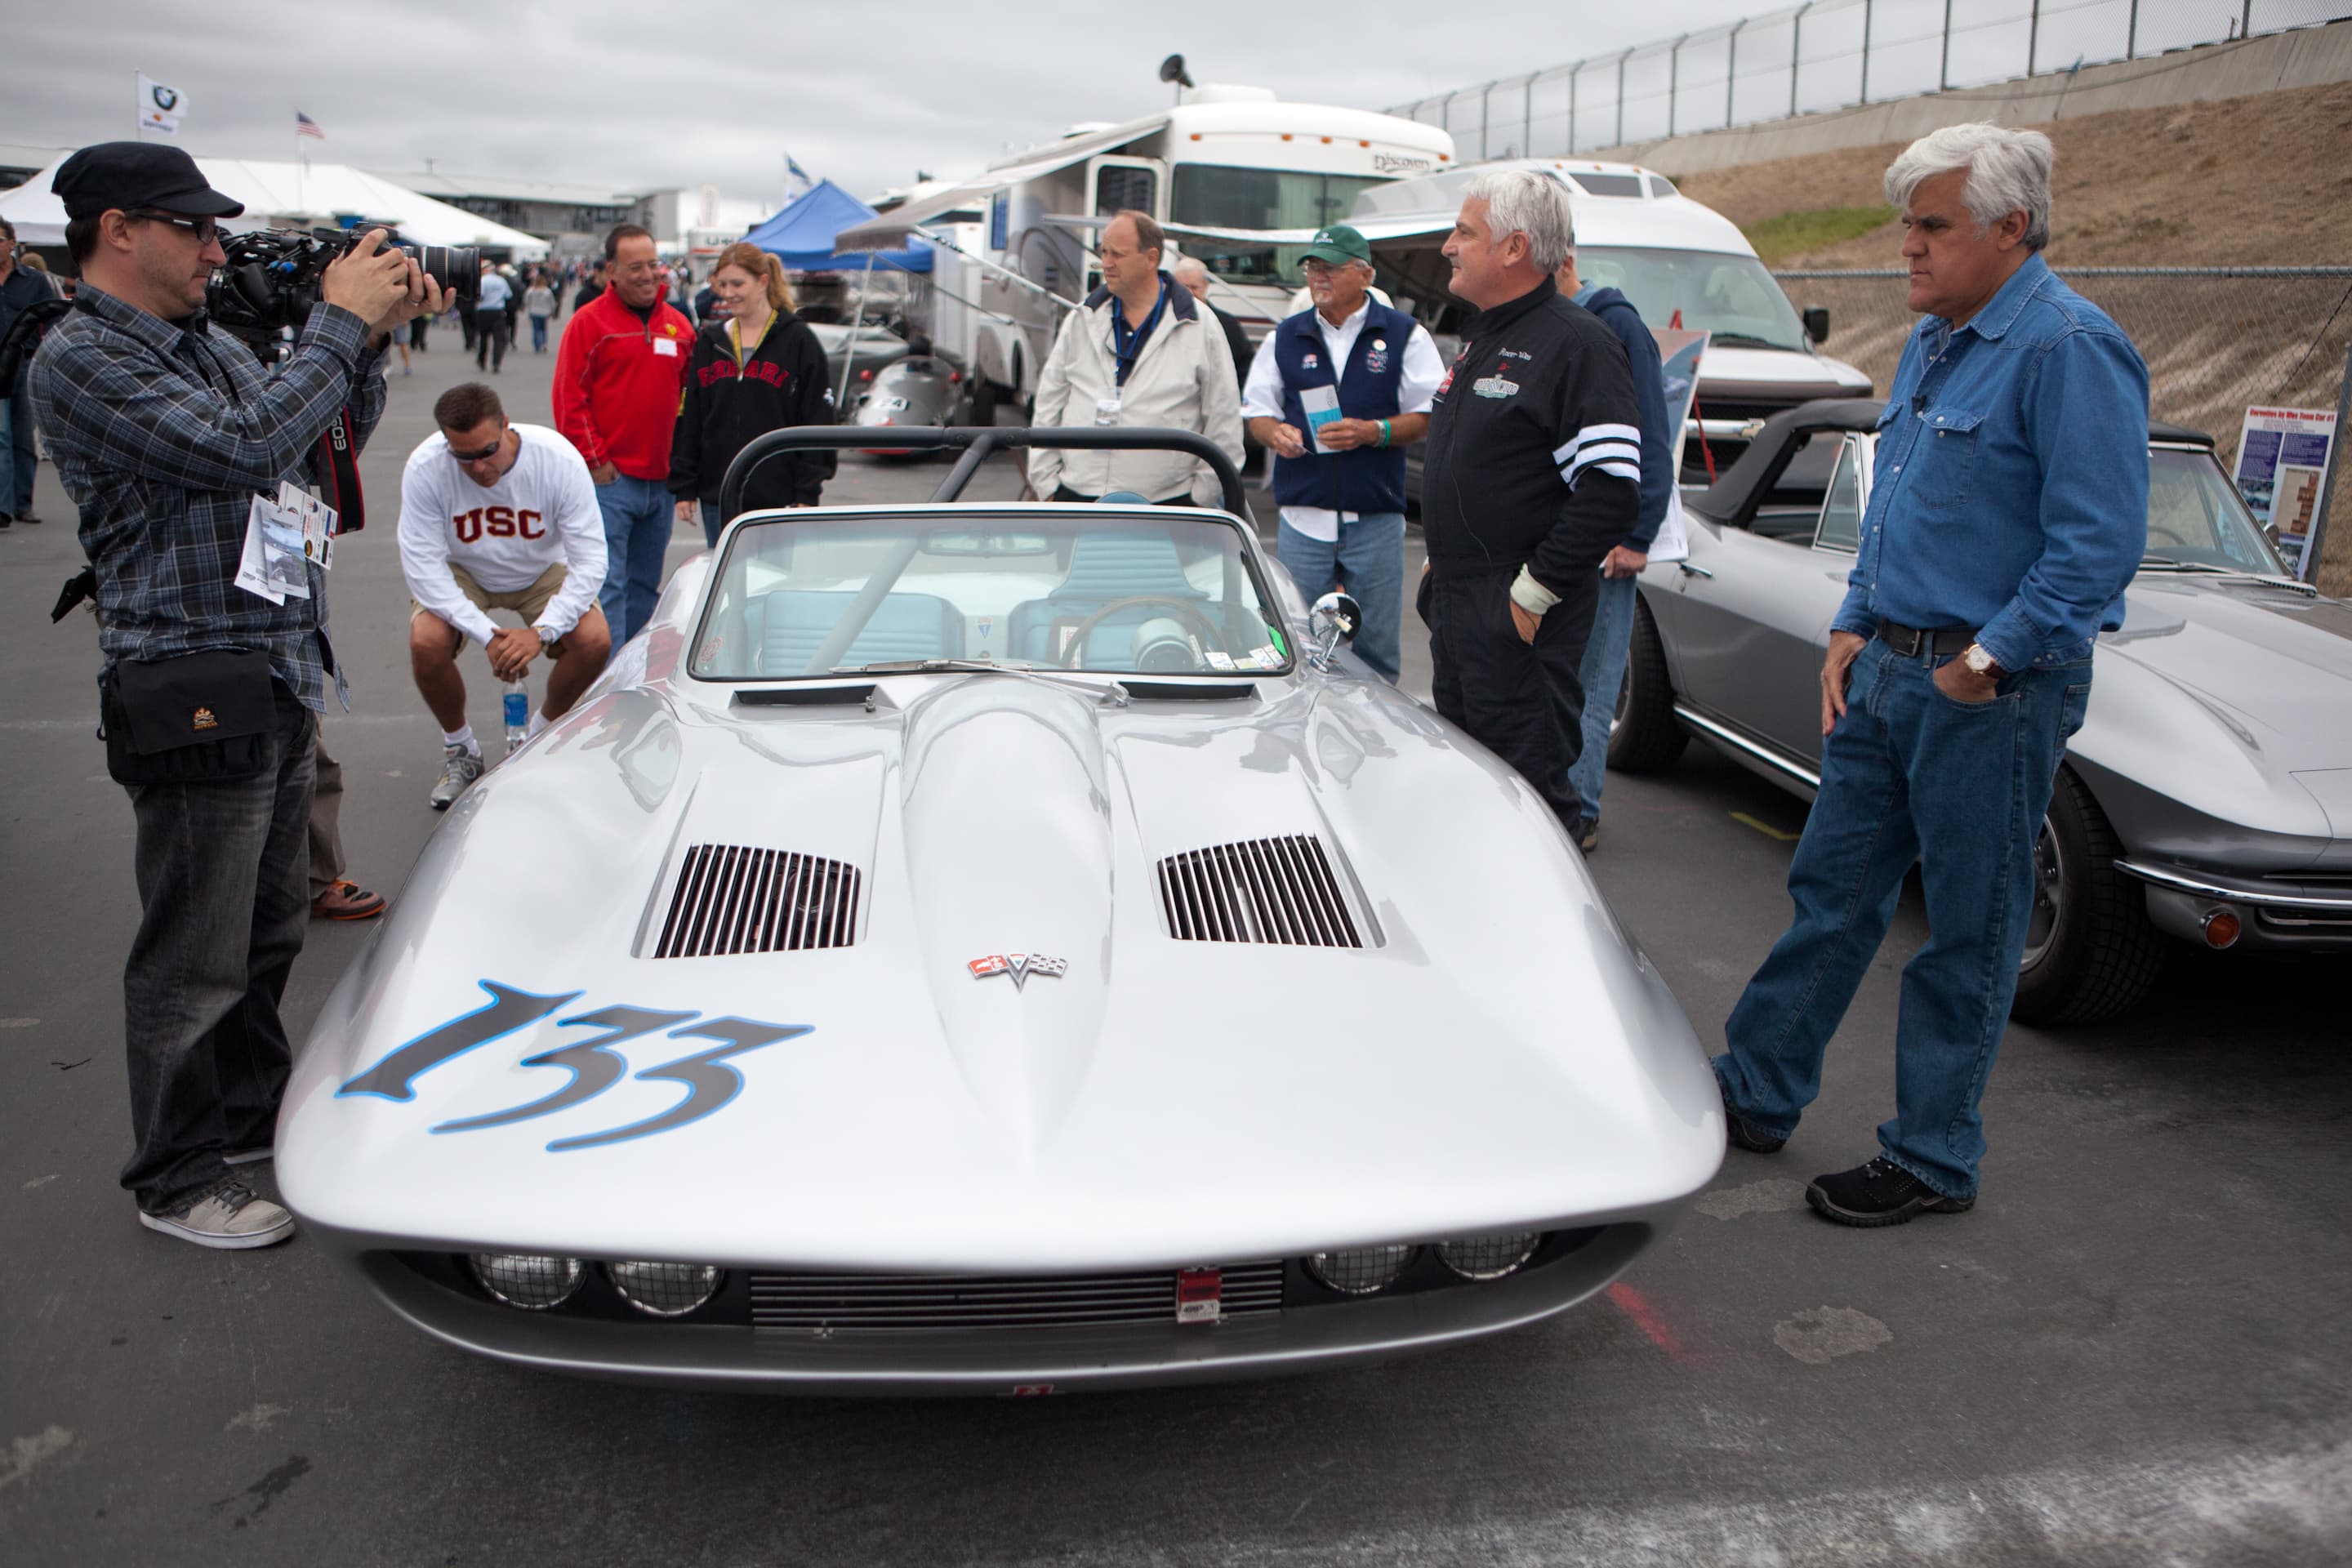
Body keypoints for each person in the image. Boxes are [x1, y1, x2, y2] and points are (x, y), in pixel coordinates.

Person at [1713, 123, 2148, 1227]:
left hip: (1985, 692)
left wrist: (1981, 666)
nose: (1906, 246)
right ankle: (1755, 1092)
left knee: (1970, 930)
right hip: (1886, 675)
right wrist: (1854, 623)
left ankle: (1933, 1156)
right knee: (1832, 899)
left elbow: (2093, 549)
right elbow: (1898, 507)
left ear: (2011, 228)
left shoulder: (2067, 350)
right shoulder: (1939, 340)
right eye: (1907, 223)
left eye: (1932, 225)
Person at [28, 141, 439, 1249]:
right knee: (191, 952)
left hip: (271, 666)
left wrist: (363, 340)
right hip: (190, 679)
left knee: (264, 929)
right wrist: (340, 326)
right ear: (120, 230)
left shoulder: (197, 343)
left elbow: (304, 447)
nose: (217, 249)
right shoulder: (82, 358)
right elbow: (240, 447)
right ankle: (175, 1175)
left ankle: (253, 1119)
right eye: (195, 229)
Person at [1419, 168, 1642, 835]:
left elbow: (1610, 494)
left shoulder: (1578, 344)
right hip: (1463, 605)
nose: (1448, 248)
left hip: (1516, 618)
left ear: (1513, 248)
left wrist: (1530, 594)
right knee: (1471, 795)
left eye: (1465, 232)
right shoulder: (1485, 333)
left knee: (1529, 808)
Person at [1239, 225, 1443, 685]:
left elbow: (1429, 413)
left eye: (1330, 267)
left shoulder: (1404, 335)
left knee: (1376, 650)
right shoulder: (1286, 336)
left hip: (1374, 513)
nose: (1318, 277)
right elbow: (1257, 414)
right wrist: (1278, 435)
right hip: (1303, 514)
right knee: (1296, 643)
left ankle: (1376, 744)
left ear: (1365, 274)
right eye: (1313, 267)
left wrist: (1376, 431)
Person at [400, 381, 612, 808]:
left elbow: (590, 560)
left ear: (506, 426)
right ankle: (461, 749)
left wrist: (542, 632)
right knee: (426, 641)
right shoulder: (425, 467)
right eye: (463, 456)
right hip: (465, 570)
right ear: (446, 443)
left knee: (594, 641)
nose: (478, 467)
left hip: (539, 568)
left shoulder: (557, 459)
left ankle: (536, 740)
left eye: (487, 451)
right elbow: (423, 567)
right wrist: (488, 635)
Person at [1557, 249, 1677, 853]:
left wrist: (1637, 535)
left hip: (1607, 537)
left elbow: (1652, 432)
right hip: (1559, 531)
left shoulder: (1616, 322)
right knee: (1559, 679)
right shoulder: (1548, 318)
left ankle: (1580, 812)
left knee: (1595, 677)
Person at [1027, 210, 1242, 506]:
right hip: (1077, 497)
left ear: (1151, 258)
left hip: (1166, 504)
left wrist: (1199, 498)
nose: (1107, 263)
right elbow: (1049, 402)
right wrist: (1048, 485)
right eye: (1104, 252)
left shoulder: (1199, 324)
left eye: (1118, 254)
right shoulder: (1083, 317)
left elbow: (1224, 416)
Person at [550, 224, 694, 642]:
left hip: (661, 482)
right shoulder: (589, 323)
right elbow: (569, 399)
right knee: (607, 586)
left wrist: (684, 466)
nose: (649, 274)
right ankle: (604, 688)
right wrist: (597, 462)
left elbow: (692, 401)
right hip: (610, 482)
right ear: (611, 270)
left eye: (654, 264)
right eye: (636, 267)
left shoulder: (679, 326)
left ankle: (632, 673)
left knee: (644, 587)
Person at [669, 241, 835, 547]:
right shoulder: (711, 341)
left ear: (762, 281)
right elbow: (691, 414)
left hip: (777, 496)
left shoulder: (798, 341)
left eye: (737, 283)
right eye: (723, 284)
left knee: (771, 588)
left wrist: (807, 490)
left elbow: (817, 417)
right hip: (717, 494)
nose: (729, 293)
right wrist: (685, 484)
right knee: (725, 589)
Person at [0, 215, 52, 526]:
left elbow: (53, 315)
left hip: (25, 363)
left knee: (22, 437)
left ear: (11, 244)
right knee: (1, 436)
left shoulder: (33, 280)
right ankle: (3, 508)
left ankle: (23, 504)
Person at [1173, 256, 1252, 391]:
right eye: (1183, 287)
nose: (1189, 293)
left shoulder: (1228, 325)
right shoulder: (1159, 322)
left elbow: (1244, 370)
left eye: (1194, 287)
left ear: (1206, 286)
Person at [473, 258, 512, 373]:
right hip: (498, 311)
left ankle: (482, 360)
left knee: (484, 338)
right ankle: (496, 362)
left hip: (484, 310)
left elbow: (481, 295)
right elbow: (508, 295)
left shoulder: (483, 280)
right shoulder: (501, 281)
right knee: (498, 339)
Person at [523, 274, 557, 353]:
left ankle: (537, 346)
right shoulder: (547, 291)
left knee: (536, 329)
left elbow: (526, 301)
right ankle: (544, 343)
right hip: (544, 312)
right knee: (544, 329)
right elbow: (552, 302)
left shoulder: (530, 291)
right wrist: (553, 311)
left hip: (534, 312)